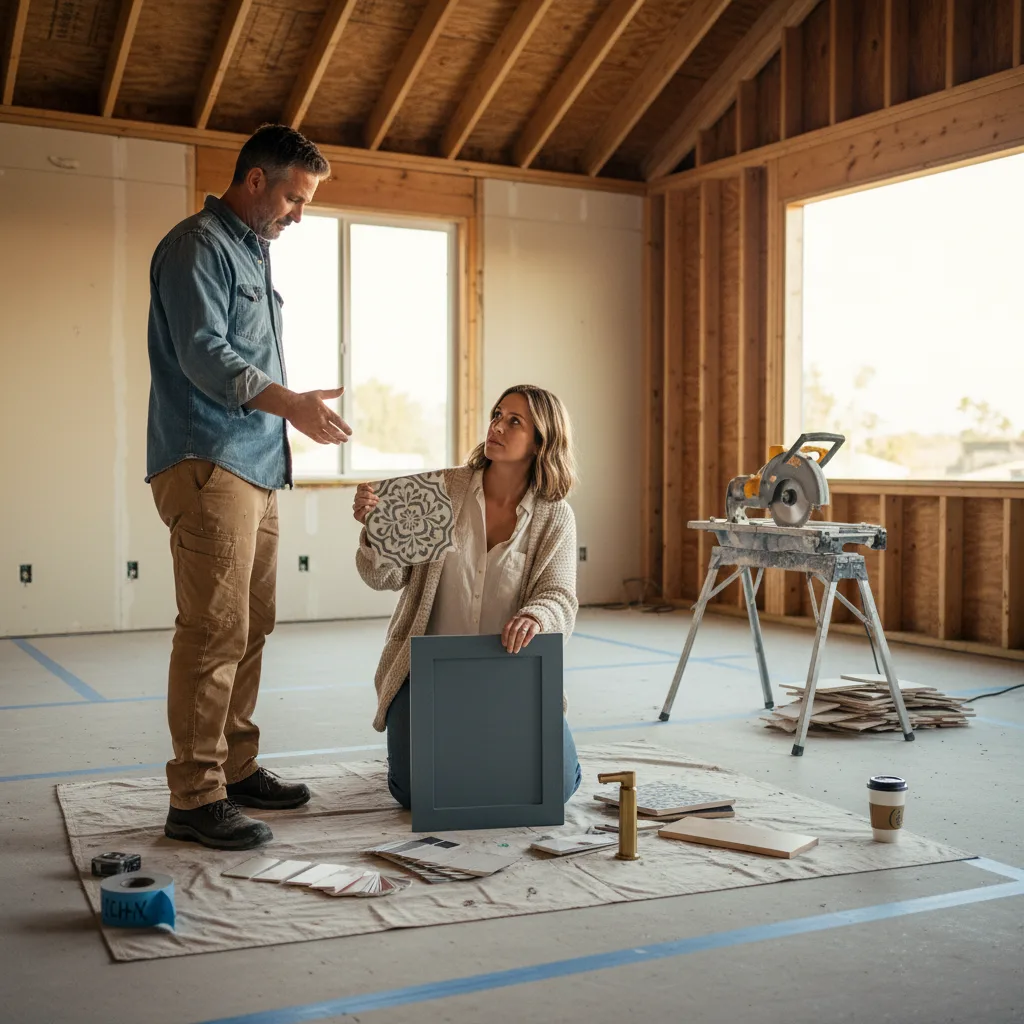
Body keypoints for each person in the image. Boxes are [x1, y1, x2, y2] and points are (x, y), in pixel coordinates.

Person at [147, 124, 352, 850]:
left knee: (251, 626)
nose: (299, 214)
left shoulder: (251, 253)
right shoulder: (197, 245)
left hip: (257, 466)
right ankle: (195, 797)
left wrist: (289, 414)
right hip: (209, 461)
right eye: (295, 198)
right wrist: (291, 403)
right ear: (256, 180)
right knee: (212, 630)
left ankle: (234, 769)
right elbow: (204, 355)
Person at [353, 385, 583, 809]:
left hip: (509, 672)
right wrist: (375, 532)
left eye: (515, 421)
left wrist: (536, 617)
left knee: (557, 786)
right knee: (413, 793)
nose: (497, 425)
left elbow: (559, 595)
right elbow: (383, 577)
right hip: (426, 669)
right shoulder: (443, 489)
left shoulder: (554, 514)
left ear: (541, 441)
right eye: (498, 414)